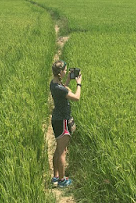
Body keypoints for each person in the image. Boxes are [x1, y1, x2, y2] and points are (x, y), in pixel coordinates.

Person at [50, 60, 82, 188]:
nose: (66, 72)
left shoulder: (53, 84)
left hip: (56, 119)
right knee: (62, 151)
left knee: (58, 149)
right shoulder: (59, 88)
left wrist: (68, 81)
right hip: (63, 120)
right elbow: (76, 97)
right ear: (60, 72)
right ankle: (62, 181)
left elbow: (63, 90)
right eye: (65, 70)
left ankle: (55, 176)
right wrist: (79, 84)